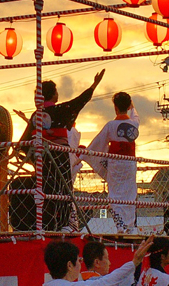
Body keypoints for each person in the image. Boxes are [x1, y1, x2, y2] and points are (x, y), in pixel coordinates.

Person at [20, 71, 106, 232]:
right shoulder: (61, 110)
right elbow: (80, 101)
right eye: (56, 91)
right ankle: (64, 224)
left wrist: (32, 158)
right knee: (64, 189)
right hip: (59, 155)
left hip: (42, 158)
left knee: (45, 189)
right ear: (53, 94)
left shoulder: (36, 115)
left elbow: (23, 142)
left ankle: (45, 223)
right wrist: (94, 85)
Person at [85, 91, 139, 232]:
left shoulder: (110, 125)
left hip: (115, 163)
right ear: (128, 106)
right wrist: (132, 107)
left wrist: (85, 153)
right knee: (130, 193)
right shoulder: (134, 123)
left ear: (115, 107)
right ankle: (130, 226)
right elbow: (135, 114)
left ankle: (120, 225)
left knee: (114, 194)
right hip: (130, 162)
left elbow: (98, 142)